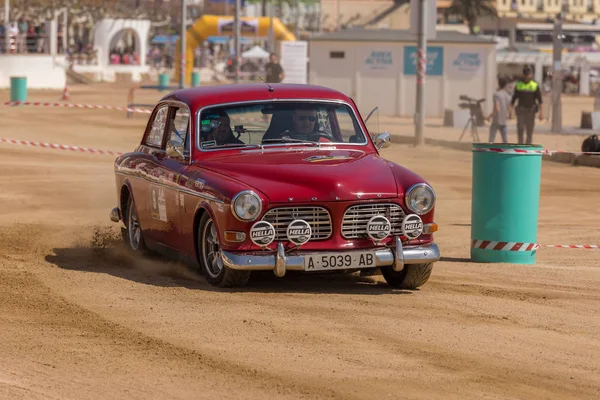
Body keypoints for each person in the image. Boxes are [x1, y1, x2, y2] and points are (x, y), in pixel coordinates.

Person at [511, 66, 543, 145]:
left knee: (529, 130)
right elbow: (514, 98)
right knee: (520, 128)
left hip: (531, 111)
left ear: (531, 75)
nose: (527, 76)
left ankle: (528, 145)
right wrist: (510, 111)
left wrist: (541, 113)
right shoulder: (519, 84)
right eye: (525, 75)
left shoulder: (534, 85)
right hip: (521, 110)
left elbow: (540, 100)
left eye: (528, 75)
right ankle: (520, 145)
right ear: (523, 75)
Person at [487, 77, 512, 143]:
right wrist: (508, 115)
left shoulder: (496, 94)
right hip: (504, 120)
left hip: (496, 120)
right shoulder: (508, 96)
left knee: (491, 140)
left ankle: (490, 152)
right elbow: (510, 108)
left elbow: (496, 108)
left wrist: (490, 116)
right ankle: (506, 152)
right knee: (505, 140)